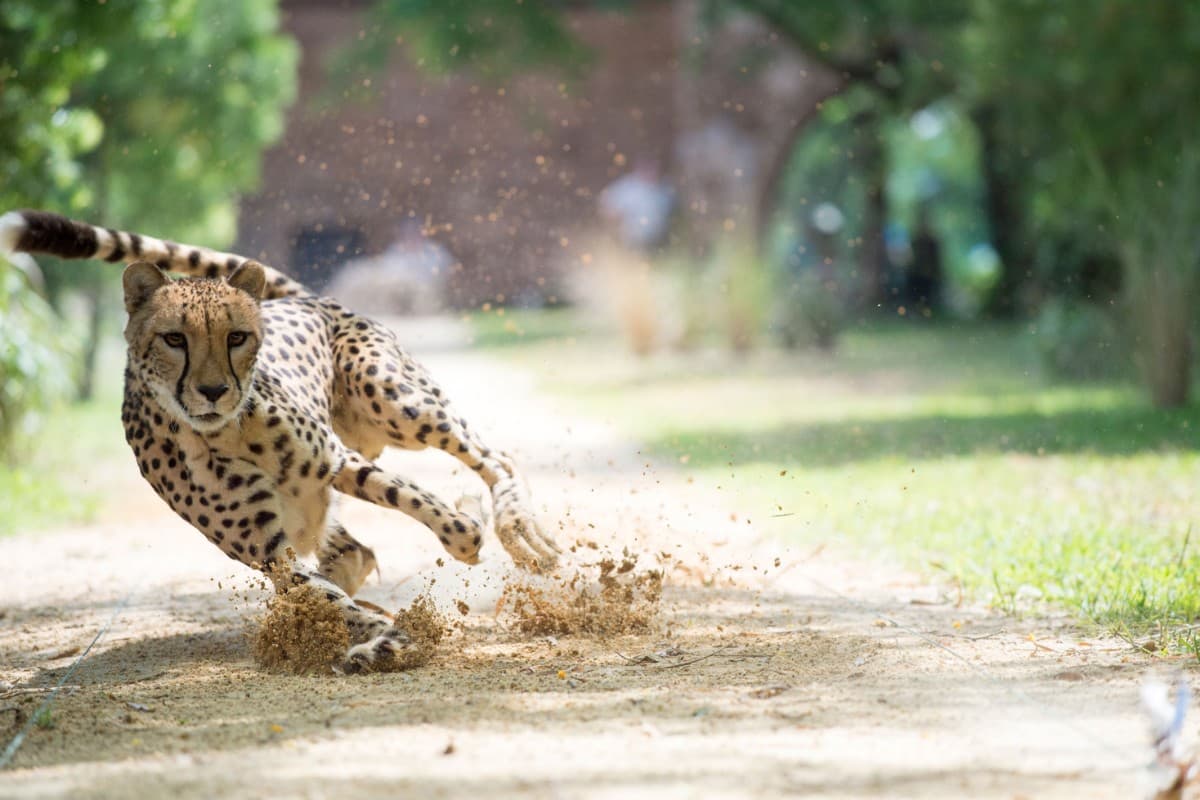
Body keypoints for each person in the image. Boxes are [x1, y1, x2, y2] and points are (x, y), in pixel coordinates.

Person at [325, 219, 454, 315]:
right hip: (391, 287)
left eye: (415, 232)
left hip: (416, 289)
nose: (410, 236)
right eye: (407, 233)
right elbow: (385, 270)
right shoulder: (396, 251)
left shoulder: (434, 252)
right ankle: (332, 303)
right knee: (355, 273)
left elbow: (441, 278)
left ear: (423, 233)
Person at [598, 159, 676, 254]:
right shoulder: (628, 187)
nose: (650, 173)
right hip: (633, 240)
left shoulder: (664, 189)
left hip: (659, 241)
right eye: (646, 169)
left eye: (652, 170)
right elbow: (608, 207)